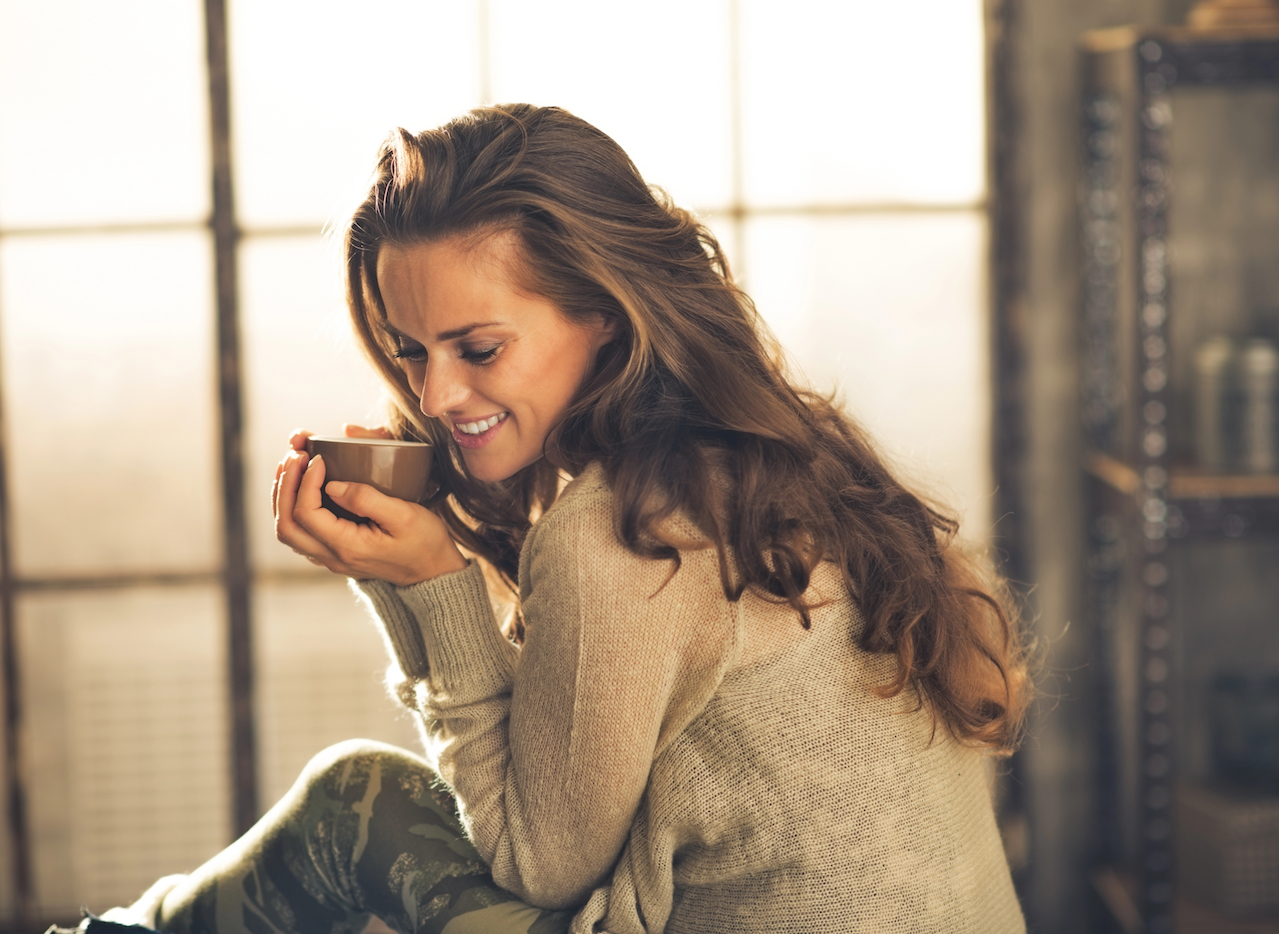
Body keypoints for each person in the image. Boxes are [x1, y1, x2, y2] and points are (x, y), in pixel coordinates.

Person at [106, 103, 1030, 934]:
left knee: (356, 802)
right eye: (410, 350)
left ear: (603, 314)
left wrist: (425, 587)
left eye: (479, 348)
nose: (434, 393)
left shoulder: (626, 533)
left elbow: (539, 864)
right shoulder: (767, 452)